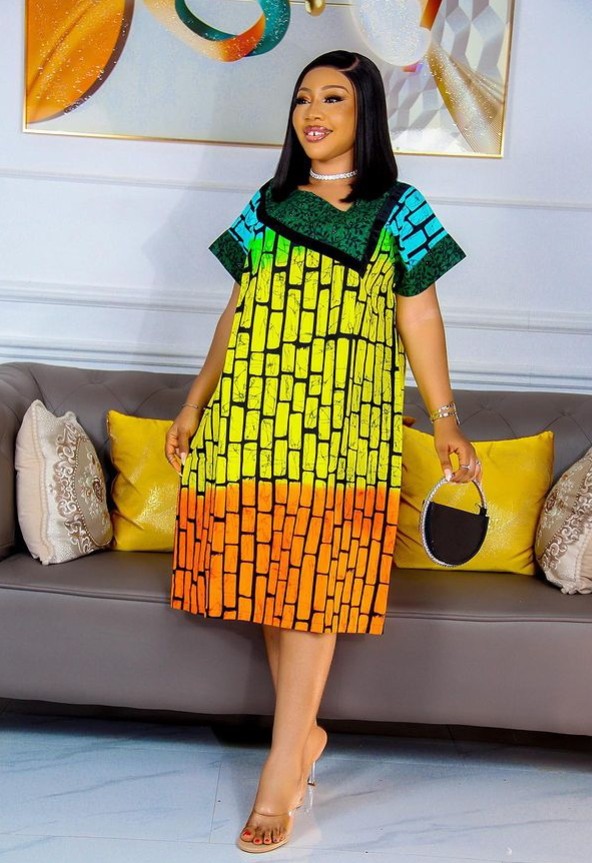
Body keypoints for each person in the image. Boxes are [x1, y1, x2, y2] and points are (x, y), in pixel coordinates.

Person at [165, 49, 481, 854]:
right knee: (273, 588)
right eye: (304, 97)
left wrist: (445, 417)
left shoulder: (399, 207)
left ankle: (281, 772)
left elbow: (420, 316)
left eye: (333, 98)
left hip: (342, 430)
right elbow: (236, 313)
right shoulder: (268, 203)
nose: (313, 111)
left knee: (312, 589)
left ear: (365, 112)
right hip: (251, 422)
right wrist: (194, 403)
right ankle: (302, 737)